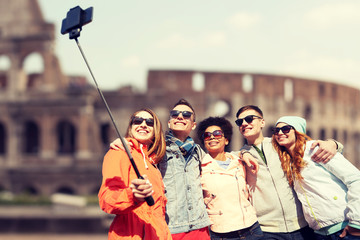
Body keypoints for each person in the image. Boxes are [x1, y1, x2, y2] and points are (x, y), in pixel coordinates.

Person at [236, 105, 344, 240]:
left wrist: (334, 144)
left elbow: (307, 146)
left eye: (249, 119)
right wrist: (243, 152)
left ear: (262, 122)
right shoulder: (237, 157)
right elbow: (223, 157)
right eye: (239, 122)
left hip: (301, 226)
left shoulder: (280, 144)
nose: (244, 124)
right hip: (267, 229)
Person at [110, 99, 211, 239]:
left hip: (200, 227)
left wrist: (244, 152)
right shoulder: (158, 148)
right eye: (175, 114)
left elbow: (220, 162)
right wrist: (125, 141)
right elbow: (140, 147)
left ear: (193, 125)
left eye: (186, 114)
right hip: (171, 227)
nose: (180, 116)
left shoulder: (198, 152)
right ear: (169, 122)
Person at [272, 116, 360, 240]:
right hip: (319, 234)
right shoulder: (287, 162)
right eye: (276, 130)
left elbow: (355, 179)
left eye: (286, 129)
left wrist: (356, 222)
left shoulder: (316, 149)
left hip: (344, 227)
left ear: (298, 132)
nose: (280, 133)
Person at [98, 108, 172, 240]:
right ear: (131, 127)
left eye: (149, 122)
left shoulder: (153, 164)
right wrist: (133, 196)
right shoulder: (119, 152)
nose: (143, 124)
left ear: (156, 131)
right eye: (137, 121)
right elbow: (107, 199)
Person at [197, 116, 263, 240]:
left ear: (226, 140)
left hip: (250, 228)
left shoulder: (239, 161)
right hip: (221, 232)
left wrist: (244, 152)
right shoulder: (199, 167)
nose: (212, 137)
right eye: (207, 135)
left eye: (217, 134)